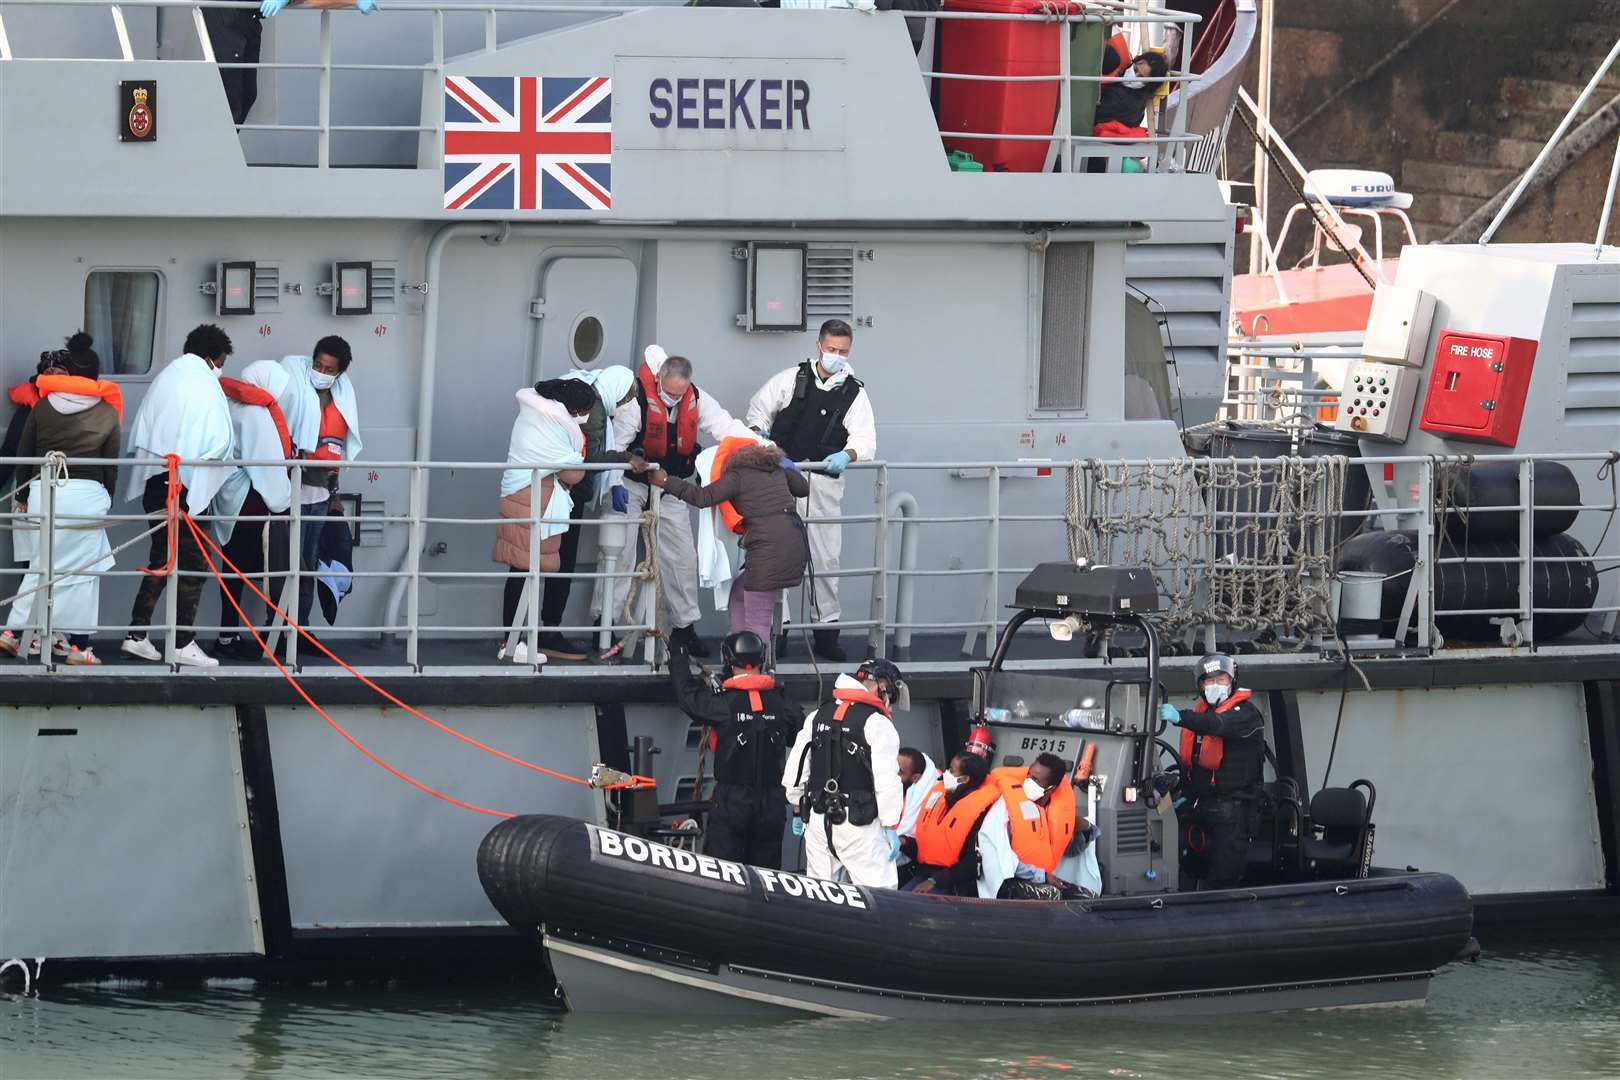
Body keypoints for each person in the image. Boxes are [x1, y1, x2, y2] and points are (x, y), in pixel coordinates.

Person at [606, 348, 755, 658]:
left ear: (687, 386)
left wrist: (762, 445)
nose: (673, 398)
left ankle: (684, 629)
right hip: (630, 485)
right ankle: (605, 624)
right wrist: (613, 483)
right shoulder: (635, 403)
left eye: (679, 393)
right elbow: (615, 448)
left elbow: (726, 427)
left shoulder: (697, 400)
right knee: (617, 555)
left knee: (683, 559)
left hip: (671, 487)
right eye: (668, 392)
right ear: (659, 379)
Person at [746, 319, 876, 662]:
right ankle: (779, 628)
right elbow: (757, 412)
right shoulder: (791, 379)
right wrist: (764, 444)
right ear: (819, 346)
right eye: (832, 350)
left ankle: (826, 632)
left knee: (825, 556)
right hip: (782, 477)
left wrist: (845, 456)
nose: (837, 357)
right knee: (778, 552)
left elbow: (865, 440)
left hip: (822, 481)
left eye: (843, 352)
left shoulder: (854, 393)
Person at [0, 334, 122, 665]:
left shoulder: (42, 405)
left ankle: (13, 633)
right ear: (95, 377)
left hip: (44, 491)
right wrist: (105, 498)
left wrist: (23, 495)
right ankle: (79, 648)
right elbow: (110, 466)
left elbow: (25, 454)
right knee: (84, 570)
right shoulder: (108, 413)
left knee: (42, 564)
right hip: (87, 495)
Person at [123, 324, 236, 668]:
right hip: (182, 489)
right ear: (209, 358)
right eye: (220, 361)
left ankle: (137, 635)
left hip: (158, 483)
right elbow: (217, 441)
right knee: (192, 566)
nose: (220, 368)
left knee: (162, 560)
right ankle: (183, 642)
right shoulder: (201, 384)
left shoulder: (167, 378)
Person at [634, 439, 809, 661]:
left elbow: (702, 497)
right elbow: (803, 489)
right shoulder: (776, 470)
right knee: (738, 592)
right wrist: (785, 464)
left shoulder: (737, 475)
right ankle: (737, 654)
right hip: (793, 544)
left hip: (768, 551)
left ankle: (757, 674)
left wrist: (667, 481)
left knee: (759, 619)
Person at [668, 629, 802, 868]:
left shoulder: (723, 703)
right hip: (771, 804)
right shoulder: (783, 703)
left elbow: (689, 698)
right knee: (767, 874)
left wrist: (678, 659)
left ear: (728, 661)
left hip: (732, 802)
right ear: (762, 660)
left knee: (724, 873)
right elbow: (800, 736)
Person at [782, 657, 908, 889]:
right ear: (883, 686)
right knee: (879, 893)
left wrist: (798, 808)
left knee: (820, 892)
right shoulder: (877, 723)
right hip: (859, 825)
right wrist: (890, 826)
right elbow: (887, 781)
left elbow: (797, 767)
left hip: (819, 821)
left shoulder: (818, 715)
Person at [492, 380, 593, 663]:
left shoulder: (532, 413)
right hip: (534, 501)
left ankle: (513, 640)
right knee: (528, 571)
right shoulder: (555, 422)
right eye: (584, 412)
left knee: (520, 571)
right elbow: (571, 472)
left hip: (517, 496)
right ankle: (513, 644)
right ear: (573, 409)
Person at [542, 365, 636, 661]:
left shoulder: (581, 393)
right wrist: (625, 460)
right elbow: (591, 457)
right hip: (568, 497)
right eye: (622, 400)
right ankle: (549, 632)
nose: (620, 406)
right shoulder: (594, 411)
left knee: (531, 564)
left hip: (545, 490)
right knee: (560, 564)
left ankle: (518, 634)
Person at [1159, 652, 1267, 890]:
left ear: (1232, 682)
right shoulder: (1201, 715)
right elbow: (1197, 765)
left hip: (1233, 811)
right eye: (1209, 681)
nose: (1215, 685)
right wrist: (1183, 795)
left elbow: (1218, 726)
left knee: (1223, 872)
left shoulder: (1245, 715)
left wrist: (1180, 717)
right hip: (1200, 804)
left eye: (1221, 680)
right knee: (1179, 855)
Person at [212, 360, 296, 660]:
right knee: (260, 569)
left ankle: (228, 633)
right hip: (251, 502)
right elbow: (266, 465)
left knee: (232, 569)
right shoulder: (255, 414)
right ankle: (258, 636)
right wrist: (283, 501)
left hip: (228, 500)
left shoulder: (229, 403)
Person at [280, 339, 361, 632]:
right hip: (291, 495)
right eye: (317, 365)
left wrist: (335, 495)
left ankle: (301, 629)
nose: (320, 371)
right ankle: (279, 630)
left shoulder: (340, 398)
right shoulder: (296, 392)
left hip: (320, 496)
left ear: (338, 374)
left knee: (310, 566)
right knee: (287, 567)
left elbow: (333, 452)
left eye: (328, 369)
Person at [976, 753, 1100, 900]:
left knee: (1088, 897)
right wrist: (1043, 876)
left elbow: (1071, 851)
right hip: (1005, 880)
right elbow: (1005, 861)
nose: (1028, 781)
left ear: (1050, 789)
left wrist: (1086, 827)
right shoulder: (1005, 807)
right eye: (1028, 775)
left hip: (1039, 879)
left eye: (1035, 779)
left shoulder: (1054, 812)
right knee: (1052, 895)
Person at [904, 753, 997, 895]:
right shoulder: (942, 798)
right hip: (924, 874)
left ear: (965, 779)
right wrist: (905, 843)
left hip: (951, 885)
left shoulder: (979, 814)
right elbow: (927, 849)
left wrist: (934, 881)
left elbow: (971, 864)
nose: (947, 773)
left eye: (952, 770)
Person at [894, 745, 941, 879]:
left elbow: (922, 847)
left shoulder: (927, 801)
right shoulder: (885, 781)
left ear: (914, 778)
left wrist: (902, 841)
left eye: (899, 773)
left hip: (908, 865)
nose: (893, 775)